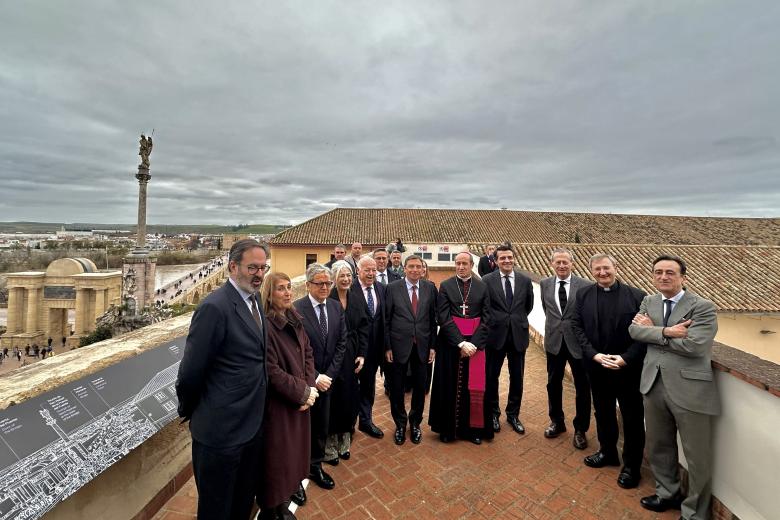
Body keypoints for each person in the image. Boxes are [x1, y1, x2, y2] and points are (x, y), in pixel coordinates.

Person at [175, 239, 269, 519]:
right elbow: (191, 372)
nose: (259, 274)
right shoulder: (214, 308)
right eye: (252, 267)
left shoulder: (255, 300)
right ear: (232, 267)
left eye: (263, 268)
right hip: (220, 432)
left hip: (251, 427)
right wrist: (193, 410)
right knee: (216, 510)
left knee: (242, 503)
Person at [629, 255, 720, 519]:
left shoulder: (702, 307)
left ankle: (695, 512)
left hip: (690, 388)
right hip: (653, 383)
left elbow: (695, 346)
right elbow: (634, 332)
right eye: (658, 272)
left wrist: (653, 333)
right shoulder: (649, 301)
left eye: (670, 272)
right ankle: (666, 493)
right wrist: (667, 332)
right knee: (659, 445)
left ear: (683, 277)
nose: (663, 277)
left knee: (696, 455)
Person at [570, 253, 646, 489]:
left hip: (627, 369)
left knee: (632, 418)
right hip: (597, 366)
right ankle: (608, 452)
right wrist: (593, 354)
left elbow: (645, 335)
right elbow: (576, 325)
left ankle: (632, 466)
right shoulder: (583, 294)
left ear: (616, 267)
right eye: (597, 269)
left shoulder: (637, 296)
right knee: (602, 412)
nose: (602, 273)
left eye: (606, 268)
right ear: (591, 271)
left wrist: (625, 359)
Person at [256, 272, 318, 520]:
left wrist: (310, 388)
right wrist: (302, 392)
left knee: (293, 456)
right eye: (281, 289)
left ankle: (285, 500)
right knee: (277, 460)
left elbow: (309, 353)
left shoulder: (294, 318)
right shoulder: (266, 326)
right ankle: (271, 510)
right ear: (269, 295)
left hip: (300, 401)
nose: (288, 292)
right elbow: (271, 370)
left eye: (289, 287)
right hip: (280, 406)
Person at [293, 264, 347, 490]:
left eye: (328, 283)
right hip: (305, 382)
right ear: (307, 285)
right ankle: (295, 475)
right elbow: (295, 349)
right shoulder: (296, 310)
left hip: (328, 381)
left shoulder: (335, 307)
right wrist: (315, 376)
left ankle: (315, 465)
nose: (325, 287)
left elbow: (341, 343)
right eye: (320, 283)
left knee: (321, 426)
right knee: (299, 429)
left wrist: (329, 375)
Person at [429, 252, 492, 444]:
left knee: (472, 387)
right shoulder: (446, 286)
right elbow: (443, 317)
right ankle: (447, 429)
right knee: (448, 385)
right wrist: (461, 342)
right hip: (451, 344)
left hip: (476, 344)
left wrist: (473, 343)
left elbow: (487, 317)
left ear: (472, 265)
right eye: (458, 263)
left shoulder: (482, 286)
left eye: (465, 263)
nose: (461, 267)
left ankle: (471, 430)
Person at [540, 248, 593, 449]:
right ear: (551, 264)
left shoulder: (585, 286)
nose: (562, 266)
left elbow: (586, 315)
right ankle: (557, 422)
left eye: (565, 262)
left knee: (582, 387)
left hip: (577, 344)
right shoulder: (545, 283)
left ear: (573, 263)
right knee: (553, 383)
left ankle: (580, 429)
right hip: (554, 343)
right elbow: (548, 311)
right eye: (558, 262)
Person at [384, 255, 438, 445]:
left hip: (422, 346)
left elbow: (433, 320)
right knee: (397, 387)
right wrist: (388, 346)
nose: (415, 270)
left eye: (419, 267)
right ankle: (400, 424)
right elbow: (386, 320)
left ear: (423, 269)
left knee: (420, 386)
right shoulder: (392, 288)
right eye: (411, 266)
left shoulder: (430, 288)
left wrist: (433, 346)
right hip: (398, 346)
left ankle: (415, 424)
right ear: (404, 269)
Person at [482, 244, 534, 435]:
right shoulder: (487, 280)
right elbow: (484, 307)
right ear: (496, 261)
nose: (506, 261)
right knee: (491, 377)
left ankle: (513, 415)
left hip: (518, 336)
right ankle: (493, 414)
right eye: (502, 258)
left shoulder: (525, 281)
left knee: (517, 377)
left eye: (509, 257)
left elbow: (527, 306)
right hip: (494, 336)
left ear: (514, 258)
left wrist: (515, 321)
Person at [324, 261, 368, 465]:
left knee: (350, 396)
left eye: (349, 275)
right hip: (332, 354)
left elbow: (364, 327)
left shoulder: (357, 298)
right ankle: (330, 444)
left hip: (352, 352)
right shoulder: (328, 298)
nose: (346, 279)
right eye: (341, 276)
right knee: (334, 398)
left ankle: (345, 439)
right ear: (334, 278)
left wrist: (362, 353)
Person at [351, 256, 387, 439]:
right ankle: (348, 426)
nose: (371, 273)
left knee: (368, 386)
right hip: (354, 351)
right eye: (367, 270)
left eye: (374, 270)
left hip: (374, 350)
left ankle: (366, 421)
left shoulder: (381, 288)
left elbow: (384, 320)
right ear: (358, 270)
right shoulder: (349, 289)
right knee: (350, 388)